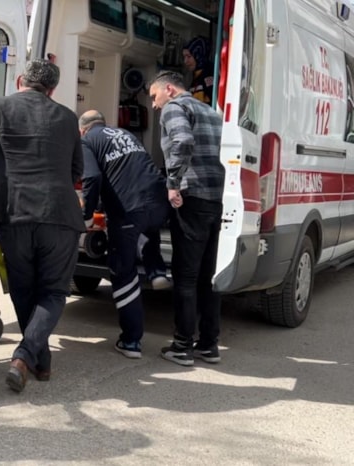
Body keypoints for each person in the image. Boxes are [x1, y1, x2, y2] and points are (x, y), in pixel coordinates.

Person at [0, 59, 83, 393]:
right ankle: (37, 360)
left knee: (23, 288)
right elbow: (77, 170)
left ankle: (25, 357)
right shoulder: (68, 117)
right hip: (60, 216)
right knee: (53, 292)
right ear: (52, 89)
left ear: (20, 79)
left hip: (13, 212)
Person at [79, 110, 169, 359]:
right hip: (159, 202)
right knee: (147, 230)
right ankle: (157, 270)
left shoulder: (87, 141)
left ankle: (131, 341)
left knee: (122, 269)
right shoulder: (125, 134)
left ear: (82, 130)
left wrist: (87, 215)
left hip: (129, 209)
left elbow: (92, 177)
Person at [148, 70, 225, 366]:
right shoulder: (212, 113)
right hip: (215, 199)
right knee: (208, 277)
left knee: (185, 277)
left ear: (169, 89)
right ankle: (209, 344)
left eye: (154, 96)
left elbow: (182, 141)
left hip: (191, 198)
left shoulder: (174, 107)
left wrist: (173, 183)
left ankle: (182, 346)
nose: (154, 104)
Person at [182, 36, 214, 105]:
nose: (185, 61)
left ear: (198, 56)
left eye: (189, 56)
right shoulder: (193, 76)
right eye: (184, 57)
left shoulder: (209, 74)